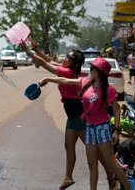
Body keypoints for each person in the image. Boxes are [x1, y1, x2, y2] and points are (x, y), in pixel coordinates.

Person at [19, 39, 115, 190]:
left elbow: (44, 64)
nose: (64, 59)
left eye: (67, 58)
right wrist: (35, 49)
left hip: (78, 114)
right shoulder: (67, 69)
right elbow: (48, 60)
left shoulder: (66, 72)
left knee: (94, 150)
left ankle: (111, 172)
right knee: (69, 146)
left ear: (72, 62)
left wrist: (26, 50)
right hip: (71, 115)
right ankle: (68, 177)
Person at [38, 57, 131, 190]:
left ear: (99, 72)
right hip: (90, 128)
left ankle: (127, 188)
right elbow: (65, 80)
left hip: (103, 127)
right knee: (92, 165)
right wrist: (48, 79)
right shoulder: (85, 82)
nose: (90, 70)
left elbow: (116, 110)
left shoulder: (108, 89)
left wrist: (116, 130)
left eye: (93, 68)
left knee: (111, 163)